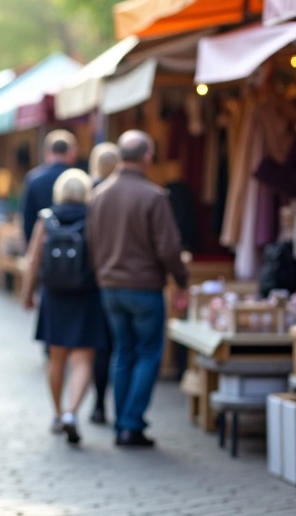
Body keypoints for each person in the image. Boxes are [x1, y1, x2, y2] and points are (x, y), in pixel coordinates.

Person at [87, 130, 189, 447]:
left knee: (123, 353)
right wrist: (182, 281)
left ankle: (123, 421)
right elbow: (169, 248)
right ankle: (131, 423)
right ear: (147, 157)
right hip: (143, 287)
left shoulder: (99, 195)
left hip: (110, 287)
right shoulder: (153, 196)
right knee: (147, 354)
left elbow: (91, 242)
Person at [22, 169, 108, 445]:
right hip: (86, 294)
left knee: (56, 358)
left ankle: (58, 414)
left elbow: (33, 260)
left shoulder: (46, 219)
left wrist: (27, 293)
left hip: (54, 295)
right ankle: (73, 412)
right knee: (83, 359)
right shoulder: (94, 218)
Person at [84, 141, 120, 426]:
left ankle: (98, 404)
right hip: (122, 277)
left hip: (95, 279)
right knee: (122, 346)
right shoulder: (122, 192)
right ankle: (119, 409)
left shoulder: (88, 193)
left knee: (101, 347)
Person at [21, 130, 78, 244]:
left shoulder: (34, 179)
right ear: (71, 152)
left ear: (47, 152)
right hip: (75, 246)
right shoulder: (77, 178)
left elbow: (27, 219)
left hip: (42, 246)